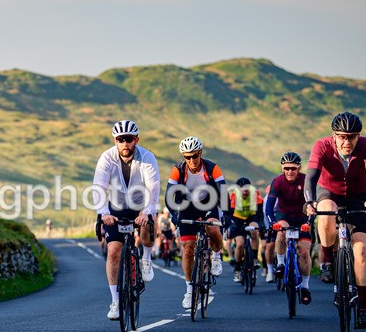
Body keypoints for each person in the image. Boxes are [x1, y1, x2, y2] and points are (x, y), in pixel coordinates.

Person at [304, 112, 366, 329]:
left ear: (359, 136)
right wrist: (310, 202)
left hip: (359, 196)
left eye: (352, 136)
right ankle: (328, 260)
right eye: (342, 136)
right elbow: (310, 178)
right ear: (334, 136)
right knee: (325, 210)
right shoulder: (322, 146)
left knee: (361, 250)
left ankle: (363, 308)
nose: (347, 142)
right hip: (329, 191)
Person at [93, 119, 160, 320]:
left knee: (148, 225)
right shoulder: (106, 158)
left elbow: (153, 188)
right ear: (115, 141)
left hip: (141, 204)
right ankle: (115, 301)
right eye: (120, 140)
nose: (125, 144)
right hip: (116, 208)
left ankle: (146, 259)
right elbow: (99, 187)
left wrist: (147, 211)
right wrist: (104, 213)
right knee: (113, 251)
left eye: (128, 139)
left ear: (136, 140)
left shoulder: (147, 157)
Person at [165, 136, 229, 309]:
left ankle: (216, 256)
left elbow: (223, 191)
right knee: (187, 249)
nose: (191, 160)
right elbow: (169, 196)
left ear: (200, 153)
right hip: (187, 207)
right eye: (187, 157)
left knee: (213, 227)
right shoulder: (177, 170)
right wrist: (174, 213)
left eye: (194, 155)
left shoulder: (212, 168)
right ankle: (189, 290)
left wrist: (227, 213)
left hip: (209, 203)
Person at [265, 152, 313, 303]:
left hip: (303, 218)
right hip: (284, 215)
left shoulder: (306, 180)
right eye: (286, 168)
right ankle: (280, 263)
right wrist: (272, 222)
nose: (290, 171)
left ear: (299, 168)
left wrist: (310, 222)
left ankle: (305, 286)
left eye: (293, 168)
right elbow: (269, 206)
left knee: (304, 252)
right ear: (282, 168)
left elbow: (313, 205)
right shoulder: (277, 182)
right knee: (280, 233)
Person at [228, 177, 263, 284]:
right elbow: (230, 213)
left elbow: (260, 212)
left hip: (251, 217)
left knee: (254, 231)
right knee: (240, 244)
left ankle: (255, 257)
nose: (244, 192)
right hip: (237, 219)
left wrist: (258, 224)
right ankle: (238, 269)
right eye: (242, 190)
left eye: (247, 190)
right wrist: (233, 225)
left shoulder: (255, 194)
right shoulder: (234, 195)